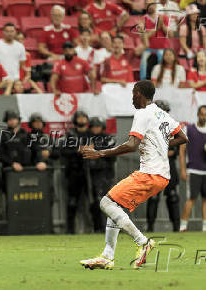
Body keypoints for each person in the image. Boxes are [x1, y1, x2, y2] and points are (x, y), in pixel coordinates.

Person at [79, 80, 188, 270]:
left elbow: (131, 145)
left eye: (133, 93)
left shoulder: (143, 113)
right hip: (161, 175)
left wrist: (100, 153)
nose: (131, 97)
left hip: (150, 173)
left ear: (139, 93)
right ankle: (107, 256)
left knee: (106, 203)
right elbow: (182, 137)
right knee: (115, 207)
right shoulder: (162, 114)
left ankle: (142, 241)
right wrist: (161, 144)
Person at [51, 111, 91, 234]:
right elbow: (62, 152)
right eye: (79, 117)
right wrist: (78, 150)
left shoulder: (92, 134)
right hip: (74, 172)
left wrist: (92, 150)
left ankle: (97, 229)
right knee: (72, 202)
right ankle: (70, 230)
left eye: (83, 117)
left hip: (91, 172)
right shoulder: (70, 135)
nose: (82, 119)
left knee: (94, 202)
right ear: (75, 120)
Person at [146, 100, 181, 232]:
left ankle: (176, 228)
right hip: (154, 166)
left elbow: (174, 150)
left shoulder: (172, 127)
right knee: (153, 196)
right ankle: (150, 227)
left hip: (169, 165)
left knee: (172, 195)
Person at [179, 105, 206, 232]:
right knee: (192, 198)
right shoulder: (189, 129)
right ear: (197, 114)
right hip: (193, 169)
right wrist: (183, 169)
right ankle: (183, 226)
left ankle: (205, 227)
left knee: (205, 199)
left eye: (205, 114)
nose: (204, 117)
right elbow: (182, 150)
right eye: (202, 114)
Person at [88, 117, 116, 233]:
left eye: (97, 126)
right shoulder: (88, 139)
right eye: (93, 127)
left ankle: (110, 227)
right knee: (95, 201)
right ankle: (98, 227)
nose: (95, 129)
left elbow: (111, 154)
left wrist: (95, 151)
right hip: (92, 174)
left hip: (106, 174)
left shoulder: (108, 139)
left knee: (107, 201)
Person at [138, 0, 172, 80]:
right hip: (149, 48)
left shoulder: (164, 17)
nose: (149, 6)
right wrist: (156, 28)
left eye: (151, 4)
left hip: (163, 48)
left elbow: (170, 35)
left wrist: (162, 25)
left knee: (165, 57)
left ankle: (163, 78)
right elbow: (143, 38)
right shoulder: (142, 20)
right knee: (144, 61)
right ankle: (143, 81)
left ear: (156, 5)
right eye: (147, 4)